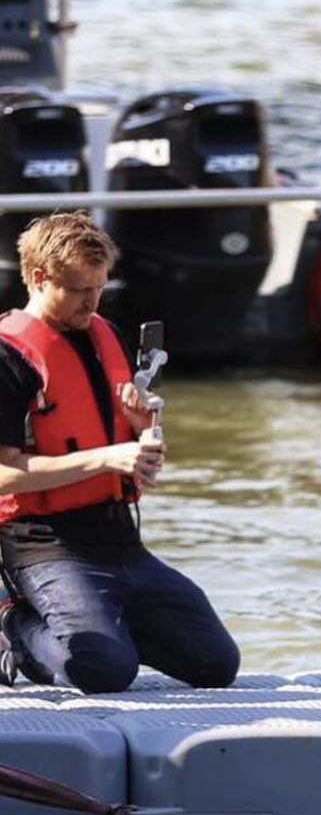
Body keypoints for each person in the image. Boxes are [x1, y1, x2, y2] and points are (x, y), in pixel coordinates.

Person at [0, 212, 240, 693]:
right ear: (40, 277)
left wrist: (142, 434)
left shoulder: (102, 333)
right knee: (104, 671)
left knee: (215, 664)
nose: (92, 301)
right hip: (45, 544)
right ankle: (12, 623)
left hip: (119, 541)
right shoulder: (9, 355)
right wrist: (109, 458)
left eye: (99, 287)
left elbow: (117, 441)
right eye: (78, 289)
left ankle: (104, 623)